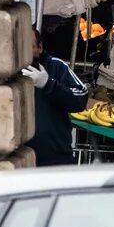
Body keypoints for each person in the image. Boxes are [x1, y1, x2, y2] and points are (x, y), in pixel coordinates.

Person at [23, 29, 89, 166]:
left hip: (56, 160)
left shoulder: (56, 66)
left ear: (39, 48)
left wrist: (48, 84)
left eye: (28, 46)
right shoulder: (6, 73)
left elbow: (80, 98)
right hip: (17, 162)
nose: (22, 53)